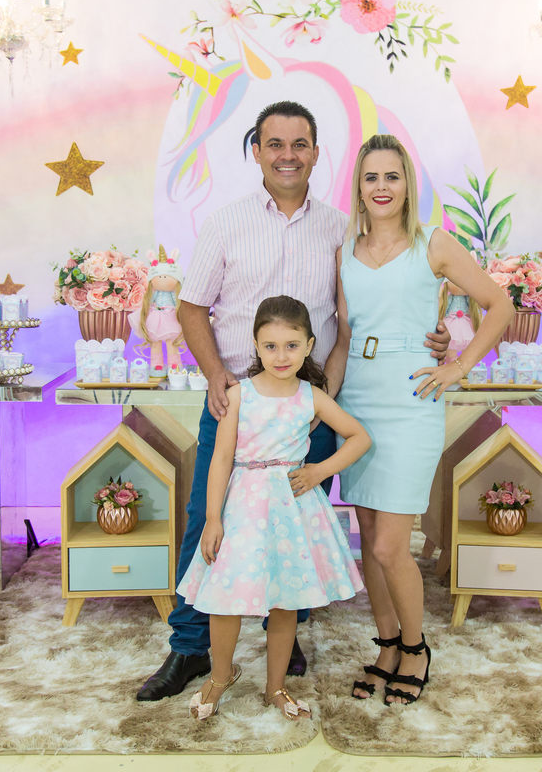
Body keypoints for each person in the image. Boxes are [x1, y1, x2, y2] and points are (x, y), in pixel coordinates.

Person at [136, 101, 451, 701]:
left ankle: (286, 634)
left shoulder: (341, 231)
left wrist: (430, 338)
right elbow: (191, 307)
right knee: (208, 520)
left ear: (315, 153)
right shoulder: (226, 223)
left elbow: (368, 309)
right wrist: (214, 376)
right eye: (275, 144)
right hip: (237, 405)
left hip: (309, 411)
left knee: (295, 528)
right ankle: (190, 648)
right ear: (256, 151)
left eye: (299, 144)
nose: (287, 155)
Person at [327, 133, 515, 706]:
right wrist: (322, 406)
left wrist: (457, 365)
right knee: (367, 538)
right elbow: (343, 339)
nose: (382, 187)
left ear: (408, 184)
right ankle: (386, 645)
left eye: (392, 176)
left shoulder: (433, 243)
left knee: (391, 545)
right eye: (371, 177)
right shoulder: (343, 250)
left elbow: (500, 305)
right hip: (358, 398)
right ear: (358, 188)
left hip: (411, 398)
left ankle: (416, 647)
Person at [179, 296, 369, 720]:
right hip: (242, 507)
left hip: (291, 510)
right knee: (225, 596)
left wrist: (320, 470)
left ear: (309, 345)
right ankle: (219, 677)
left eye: (291, 346)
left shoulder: (311, 396)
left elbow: (359, 437)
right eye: (270, 346)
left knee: (286, 599)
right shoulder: (238, 395)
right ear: (255, 345)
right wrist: (212, 518)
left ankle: (275, 687)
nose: (281, 356)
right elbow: (221, 458)